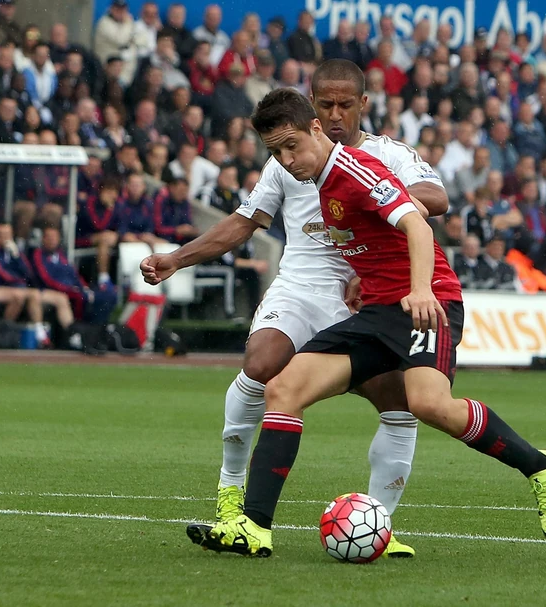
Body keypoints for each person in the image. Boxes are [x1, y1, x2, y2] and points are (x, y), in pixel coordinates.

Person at [184, 88, 546, 557]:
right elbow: (368, 241)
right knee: (282, 389)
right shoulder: (319, 181)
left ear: (316, 129)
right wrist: (360, 278)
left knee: (429, 405)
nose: (287, 160)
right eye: (276, 152)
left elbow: (417, 224)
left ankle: (541, 466)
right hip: (377, 311)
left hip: (429, 301)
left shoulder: (355, 170)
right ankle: (254, 527)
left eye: (292, 146)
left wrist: (420, 289)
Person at [141, 60, 452, 559]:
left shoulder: (387, 155)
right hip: (302, 288)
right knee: (261, 363)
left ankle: (379, 523)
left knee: (399, 402)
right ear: (311, 107)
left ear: (363, 104)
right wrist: (177, 259)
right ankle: (230, 494)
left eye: (344, 105)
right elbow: (244, 221)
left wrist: (382, 198)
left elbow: (436, 197)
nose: (335, 114)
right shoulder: (287, 157)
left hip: (363, 297)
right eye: (325, 104)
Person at [0, 222, 73, 344]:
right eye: (1, 234)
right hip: (1, 287)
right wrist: (18, 281)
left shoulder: (15, 250)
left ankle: (45, 334)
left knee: (37, 295)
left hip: (19, 288)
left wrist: (17, 256)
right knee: (17, 295)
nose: (5, 237)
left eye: (7, 234)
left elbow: (28, 272)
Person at [31, 227, 117, 324]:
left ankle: (100, 327)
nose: (52, 240)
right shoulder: (38, 255)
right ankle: (75, 328)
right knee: (81, 298)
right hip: (55, 291)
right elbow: (46, 279)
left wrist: (84, 287)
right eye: (49, 237)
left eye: (54, 237)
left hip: (74, 289)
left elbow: (74, 274)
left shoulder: (61, 255)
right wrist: (68, 289)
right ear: (43, 239)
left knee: (108, 295)